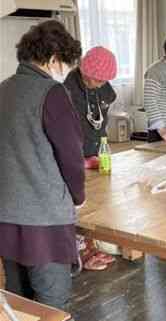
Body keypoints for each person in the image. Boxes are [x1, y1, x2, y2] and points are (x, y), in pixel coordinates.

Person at [0, 20, 84, 309]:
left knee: (18, 301)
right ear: (53, 59)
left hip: (6, 216)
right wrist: (78, 197)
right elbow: (71, 156)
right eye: (65, 65)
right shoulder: (52, 94)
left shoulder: (2, 89)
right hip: (44, 220)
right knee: (52, 302)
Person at [64, 46, 117, 169]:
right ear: (85, 72)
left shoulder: (103, 85)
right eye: (98, 81)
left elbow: (109, 99)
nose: (101, 85)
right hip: (77, 157)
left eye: (105, 81)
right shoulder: (67, 91)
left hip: (98, 152)